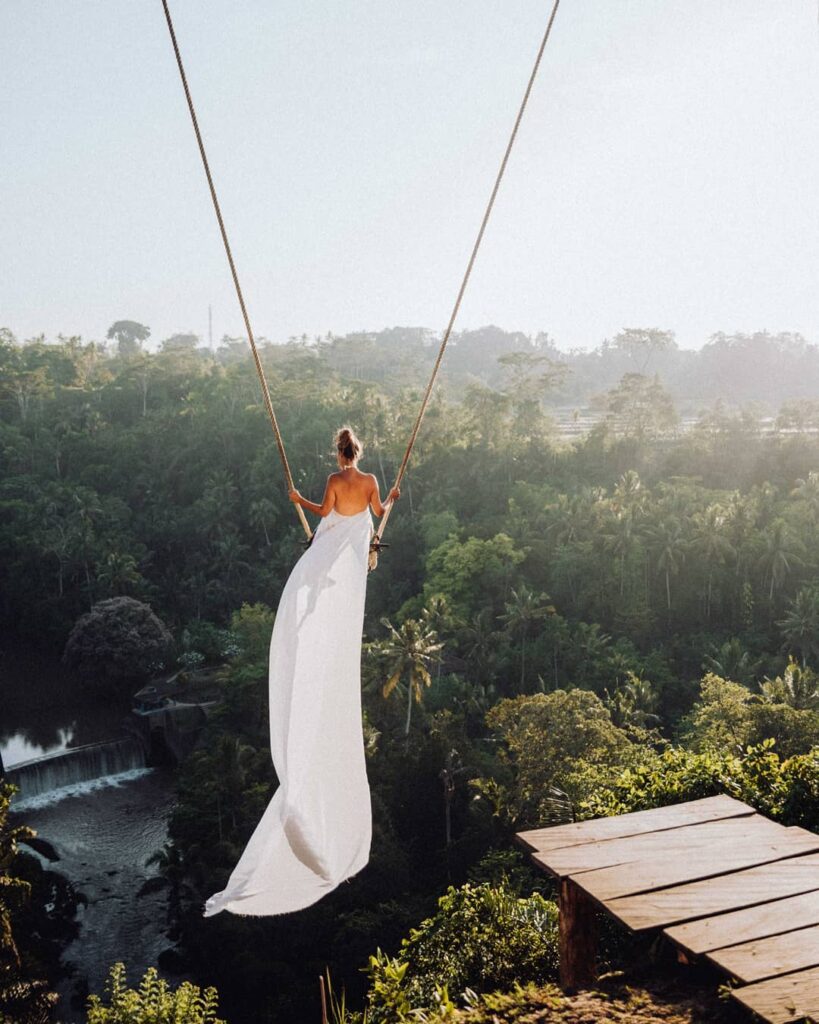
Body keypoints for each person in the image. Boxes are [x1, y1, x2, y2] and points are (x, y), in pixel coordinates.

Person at [203, 427, 399, 917]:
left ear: (339, 452)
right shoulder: (372, 479)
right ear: (362, 454)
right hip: (352, 551)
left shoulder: (335, 479)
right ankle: (317, 611)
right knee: (329, 595)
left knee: (305, 586)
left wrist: (298, 498)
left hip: (334, 542)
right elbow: (375, 515)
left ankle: (312, 611)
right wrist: (388, 499)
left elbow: (324, 513)